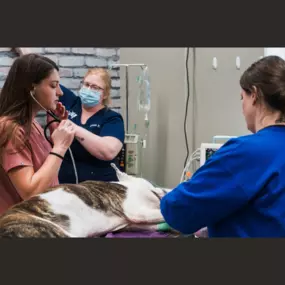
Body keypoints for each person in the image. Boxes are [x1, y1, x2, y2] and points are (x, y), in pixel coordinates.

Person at [161, 55, 285, 238]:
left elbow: (179, 211)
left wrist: (165, 199)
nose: (242, 107)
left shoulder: (247, 152)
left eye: (242, 98)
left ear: (255, 95)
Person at [0, 53, 75, 214]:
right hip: (18, 228)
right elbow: (30, 193)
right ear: (31, 88)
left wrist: (56, 131)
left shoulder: (32, 124)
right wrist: (60, 147)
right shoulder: (10, 128)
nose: (60, 92)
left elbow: (44, 171)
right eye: (53, 85)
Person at [48, 68, 125, 183]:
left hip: (101, 188)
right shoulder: (71, 102)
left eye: (95, 87)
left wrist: (71, 126)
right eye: (86, 84)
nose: (88, 89)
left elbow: (108, 151)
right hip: (67, 184)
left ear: (105, 94)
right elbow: (47, 81)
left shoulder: (112, 118)